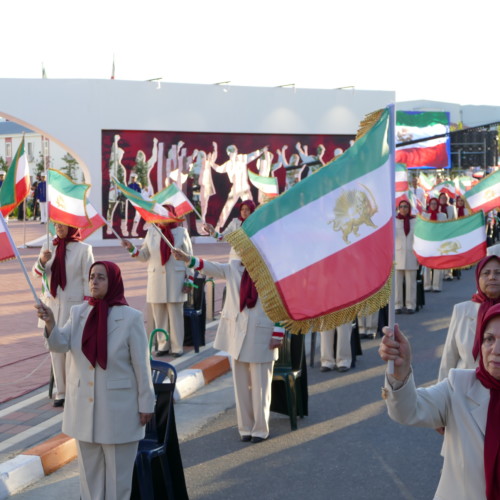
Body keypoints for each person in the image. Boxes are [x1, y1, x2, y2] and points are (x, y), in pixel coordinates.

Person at [35, 261, 155, 500]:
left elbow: (142, 365)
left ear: (113, 282)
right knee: (89, 483)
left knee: (118, 484)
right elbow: (60, 344)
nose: (94, 282)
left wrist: (146, 404)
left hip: (119, 412)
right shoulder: (79, 312)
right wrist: (50, 322)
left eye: (101, 277)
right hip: (84, 411)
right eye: (91, 277)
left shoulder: (130, 318)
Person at [379, 305, 500, 500]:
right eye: (489, 339)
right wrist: (400, 374)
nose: (496, 350)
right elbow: (408, 411)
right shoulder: (458, 386)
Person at [172, 248, 283, 442]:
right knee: (241, 385)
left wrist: (278, 333)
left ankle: (260, 429)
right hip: (237, 334)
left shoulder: (271, 271)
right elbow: (211, 267)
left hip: (262, 332)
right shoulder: (233, 268)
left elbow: (281, 302)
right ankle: (245, 428)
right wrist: (188, 259)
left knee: (260, 385)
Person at [32, 224, 94, 406]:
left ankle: (75, 389)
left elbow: (87, 280)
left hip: (74, 307)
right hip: (51, 307)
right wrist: (42, 261)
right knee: (55, 351)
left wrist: (87, 308)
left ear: (72, 226)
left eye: (63, 225)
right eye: (56, 224)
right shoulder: (48, 245)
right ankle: (61, 392)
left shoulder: (84, 249)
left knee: (73, 351)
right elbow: (36, 274)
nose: (58, 227)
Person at [122, 209, 194, 357]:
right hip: (156, 279)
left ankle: (177, 347)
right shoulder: (152, 232)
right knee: (158, 315)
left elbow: (189, 258)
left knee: (175, 316)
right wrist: (131, 248)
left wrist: (189, 280)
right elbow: (144, 256)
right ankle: (162, 345)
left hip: (176, 278)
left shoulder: (181, 232)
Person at [438, 255, 500, 381]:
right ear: (478, 278)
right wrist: (443, 393)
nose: (492, 277)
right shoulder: (461, 310)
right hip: (464, 392)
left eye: (498, 273)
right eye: (486, 273)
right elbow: (449, 357)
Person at [395, 200, 418, 314]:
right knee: (397, 284)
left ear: (409, 208)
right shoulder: (394, 221)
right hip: (397, 255)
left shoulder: (415, 221)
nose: (403, 209)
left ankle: (410, 305)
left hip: (411, 254)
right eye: (401, 207)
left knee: (411, 283)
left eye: (406, 207)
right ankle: (397, 305)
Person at [422, 197, 446, 292]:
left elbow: (445, 228)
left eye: (435, 203)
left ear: (438, 205)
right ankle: (427, 285)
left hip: (439, 243)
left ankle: (436, 286)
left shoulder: (442, 216)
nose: (433, 205)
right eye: (431, 203)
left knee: (438, 264)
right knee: (427, 265)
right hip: (427, 243)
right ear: (429, 205)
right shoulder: (424, 215)